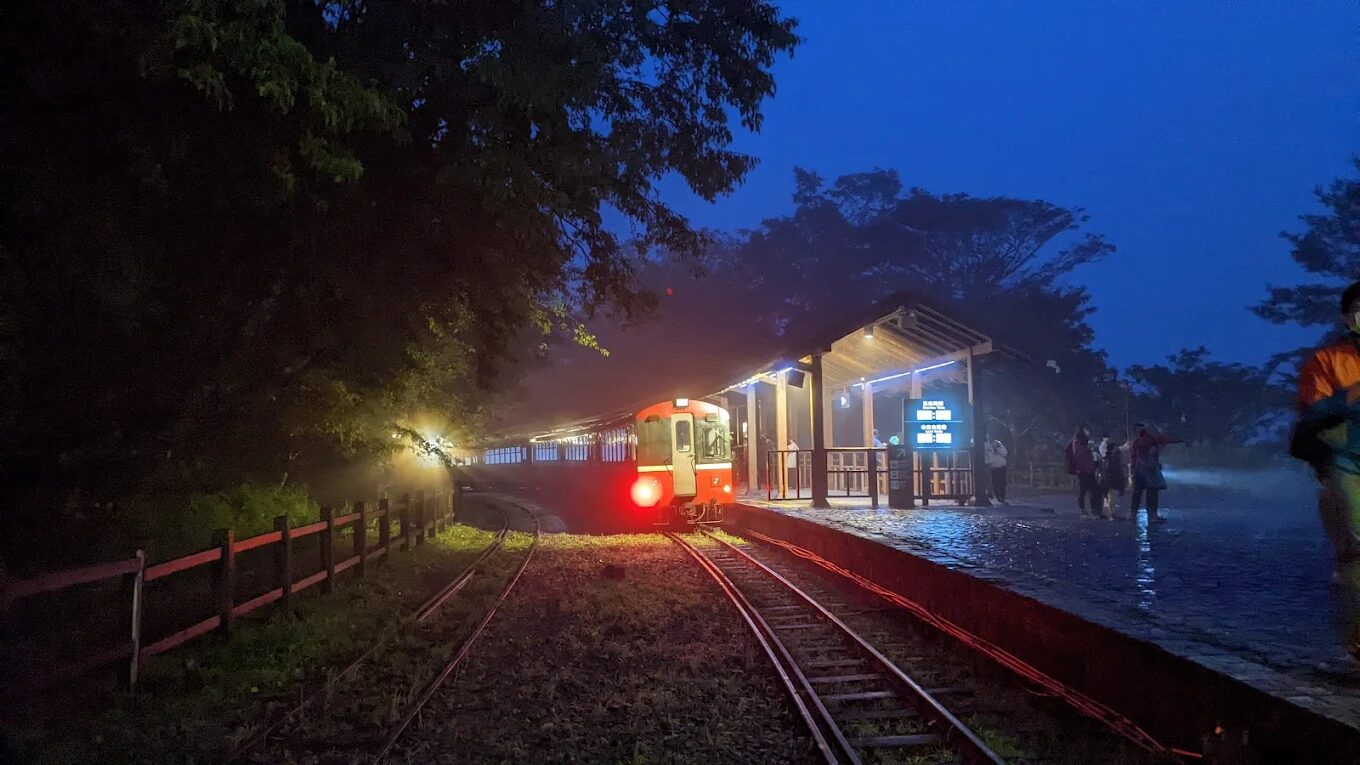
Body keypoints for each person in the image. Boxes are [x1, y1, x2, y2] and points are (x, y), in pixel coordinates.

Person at [1294, 281, 1360, 660]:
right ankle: (1356, 636)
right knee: (1355, 549)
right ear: (1347, 316)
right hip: (1347, 465)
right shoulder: (1328, 361)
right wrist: (1349, 397)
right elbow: (1313, 411)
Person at [1129, 422, 1181, 522]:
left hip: (1140, 470)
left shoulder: (1137, 442)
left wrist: (1132, 470)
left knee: (1138, 494)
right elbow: (1163, 440)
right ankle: (1151, 516)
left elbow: (1133, 458)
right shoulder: (1149, 439)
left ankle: (1134, 515)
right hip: (1149, 470)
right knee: (1151, 494)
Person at [1064, 424, 1099, 516]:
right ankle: (1085, 509)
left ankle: (1092, 509)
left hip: (1087, 469)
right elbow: (1080, 456)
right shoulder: (1078, 442)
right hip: (1083, 470)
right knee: (1085, 490)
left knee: (1091, 489)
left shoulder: (1080, 442)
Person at [1096, 432, 1127, 520]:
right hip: (1111, 480)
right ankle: (1111, 514)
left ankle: (1110, 513)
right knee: (1111, 497)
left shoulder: (1111, 458)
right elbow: (1113, 470)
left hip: (1110, 480)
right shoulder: (1110, 459)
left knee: (1111, 497)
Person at [984, 434, 1009, 504]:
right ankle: (998, 497)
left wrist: (997, 449)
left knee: (1003, 483)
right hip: (993, 466)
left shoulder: (998, 443)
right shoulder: (986, 445)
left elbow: (1005, 453)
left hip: (1002, 465)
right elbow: (986, 455)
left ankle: (1002, 497)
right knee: (995, 483)